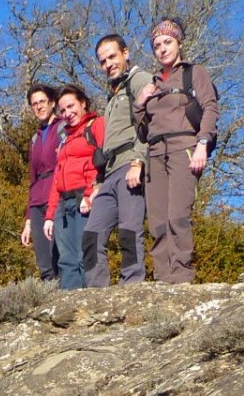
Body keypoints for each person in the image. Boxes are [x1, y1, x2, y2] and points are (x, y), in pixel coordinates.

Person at [134, 18, 219, 283]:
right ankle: (162, 276)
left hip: (185, 147)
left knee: (177, 216)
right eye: (156, 45)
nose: (162, 49)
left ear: (179, 42)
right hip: (155, 152)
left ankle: (181, 277)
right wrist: (139, 103)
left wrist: (202, 144)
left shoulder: (194, 73)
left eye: (167, 42)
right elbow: (140, 129)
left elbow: (210, 108)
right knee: (158, 219)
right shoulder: (152, 84)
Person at [83, 34, 152, 286]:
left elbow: (151, 122)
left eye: (112, 56)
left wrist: (138, 161)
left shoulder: (139, 79)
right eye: (103, 61)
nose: (108, 64)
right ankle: (96, 292)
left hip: (130, 165)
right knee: (91, 234)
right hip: (110, 172)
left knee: (129, 230)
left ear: (126, 53)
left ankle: (131, 287)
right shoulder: (114, 94)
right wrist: (98, 182)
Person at [43, 86, 104, 290]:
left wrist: (90, 193)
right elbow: (57, 179)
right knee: (66, 260)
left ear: (83, 103)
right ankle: (70, 311)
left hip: (84, 201)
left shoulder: (96, 125)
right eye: (62, 110)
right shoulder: (65, 139)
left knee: (83, 255)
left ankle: (90, 305)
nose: (67, 113)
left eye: (71, 106)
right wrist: (50, 215)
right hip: (63, 205)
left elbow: (103, 161)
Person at [20, 83, 61, 282]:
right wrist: (28, 220)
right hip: (37, 202)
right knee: (44, 261)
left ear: (52, 102)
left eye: (42, 101)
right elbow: (32, 178)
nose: (39, 107)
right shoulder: (35, 139)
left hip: (58, 195)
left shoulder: (63, 128)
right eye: (34, 104)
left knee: (60, 255)